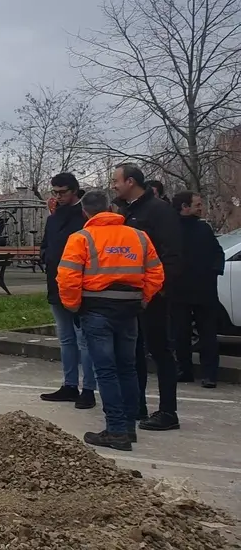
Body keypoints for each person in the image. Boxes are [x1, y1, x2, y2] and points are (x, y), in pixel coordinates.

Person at [56, 190, 164, 451]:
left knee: (106, 370)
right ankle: (128, 427)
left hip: (96, 310)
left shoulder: (81, 238)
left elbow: (67, 278)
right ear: (110, 209)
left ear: (85, 212)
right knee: (127, 368)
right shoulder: (138, 236)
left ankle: (115, 430)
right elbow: (156, 273)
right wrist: (143, 299)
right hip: (129, 310)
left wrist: (74, 307)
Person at [112, 163, 183, 431]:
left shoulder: (158, 211)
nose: (113, 185)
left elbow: (172, 254)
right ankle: (136, 405)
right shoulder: (127, 212)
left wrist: (157, 290)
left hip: (152, 295)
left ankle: (168, 412)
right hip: (131, 295)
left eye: (116, 180)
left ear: (130, 181)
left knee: (160, 351)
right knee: (134, 352)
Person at [38, 172, 95, 408]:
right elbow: (46, 245)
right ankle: (70, 385)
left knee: (84, 339)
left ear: (74, 191)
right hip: (55, 284)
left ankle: (89, 389)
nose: (58, 197)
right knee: (66, 338)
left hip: (79, 287)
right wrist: (47, 259)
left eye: (63, 192)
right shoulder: (52, 219)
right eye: (55, 192)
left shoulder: (84, 218)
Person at [171, 191, 222, 389]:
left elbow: (217, 252)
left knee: (208, 333)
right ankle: (184, 370)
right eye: (197, 204)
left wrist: (214, 271)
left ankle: (210, 374)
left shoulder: (204, 228)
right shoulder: (171, 229)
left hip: (204, 290)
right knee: (180, 333)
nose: (201, 207)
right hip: (179, 289)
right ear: (185, 206)